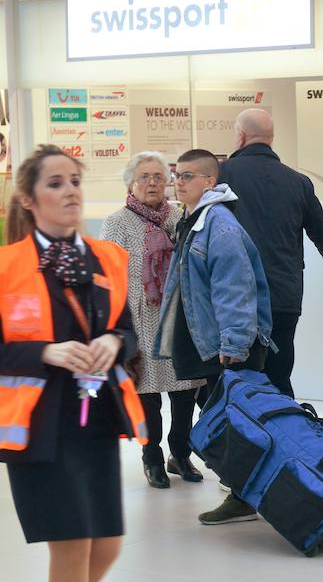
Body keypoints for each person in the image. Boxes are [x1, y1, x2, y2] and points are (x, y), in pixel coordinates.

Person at [0, 144, 146, 582]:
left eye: (76, 182)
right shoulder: (6, 267)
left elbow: (128, 331)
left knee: (107, 544)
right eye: (56, 183)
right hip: (39, 426)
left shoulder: (108, 257)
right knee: (72, 545)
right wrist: (43, 351)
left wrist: (112, 343)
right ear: (29, 199)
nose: (70, 192)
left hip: (96, 418)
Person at [153, 149, 273, 524]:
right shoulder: (194, 219)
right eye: (177, 175)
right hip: (213, 341)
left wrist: (234, 343)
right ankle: (243, 492)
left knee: (236, 421)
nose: (178, 182)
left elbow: (234, 287)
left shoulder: (217, 224)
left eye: (187, 175)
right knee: (225, 418)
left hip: (230, 345)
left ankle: (244, 498)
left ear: (210, 181)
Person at [218, 108, 323, 399]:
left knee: (235, 378)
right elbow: (322, 229)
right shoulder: (297, 181)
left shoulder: (222, 175)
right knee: (278, 374)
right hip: (283, 294)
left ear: (240, 136)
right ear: (271, 138)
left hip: (234, 295)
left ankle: (243, 438)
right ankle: (285, 437)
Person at [101, 151, 205, 489]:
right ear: (131, 182)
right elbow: (108, 276)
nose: (152, 183)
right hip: (139, 319)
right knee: (147, 395)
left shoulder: (179, 217)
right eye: (144, 177)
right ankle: (152, 457)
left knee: (185, 391)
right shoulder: (117, 222)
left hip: (178, 319)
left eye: (158, 177)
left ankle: (180, 451)